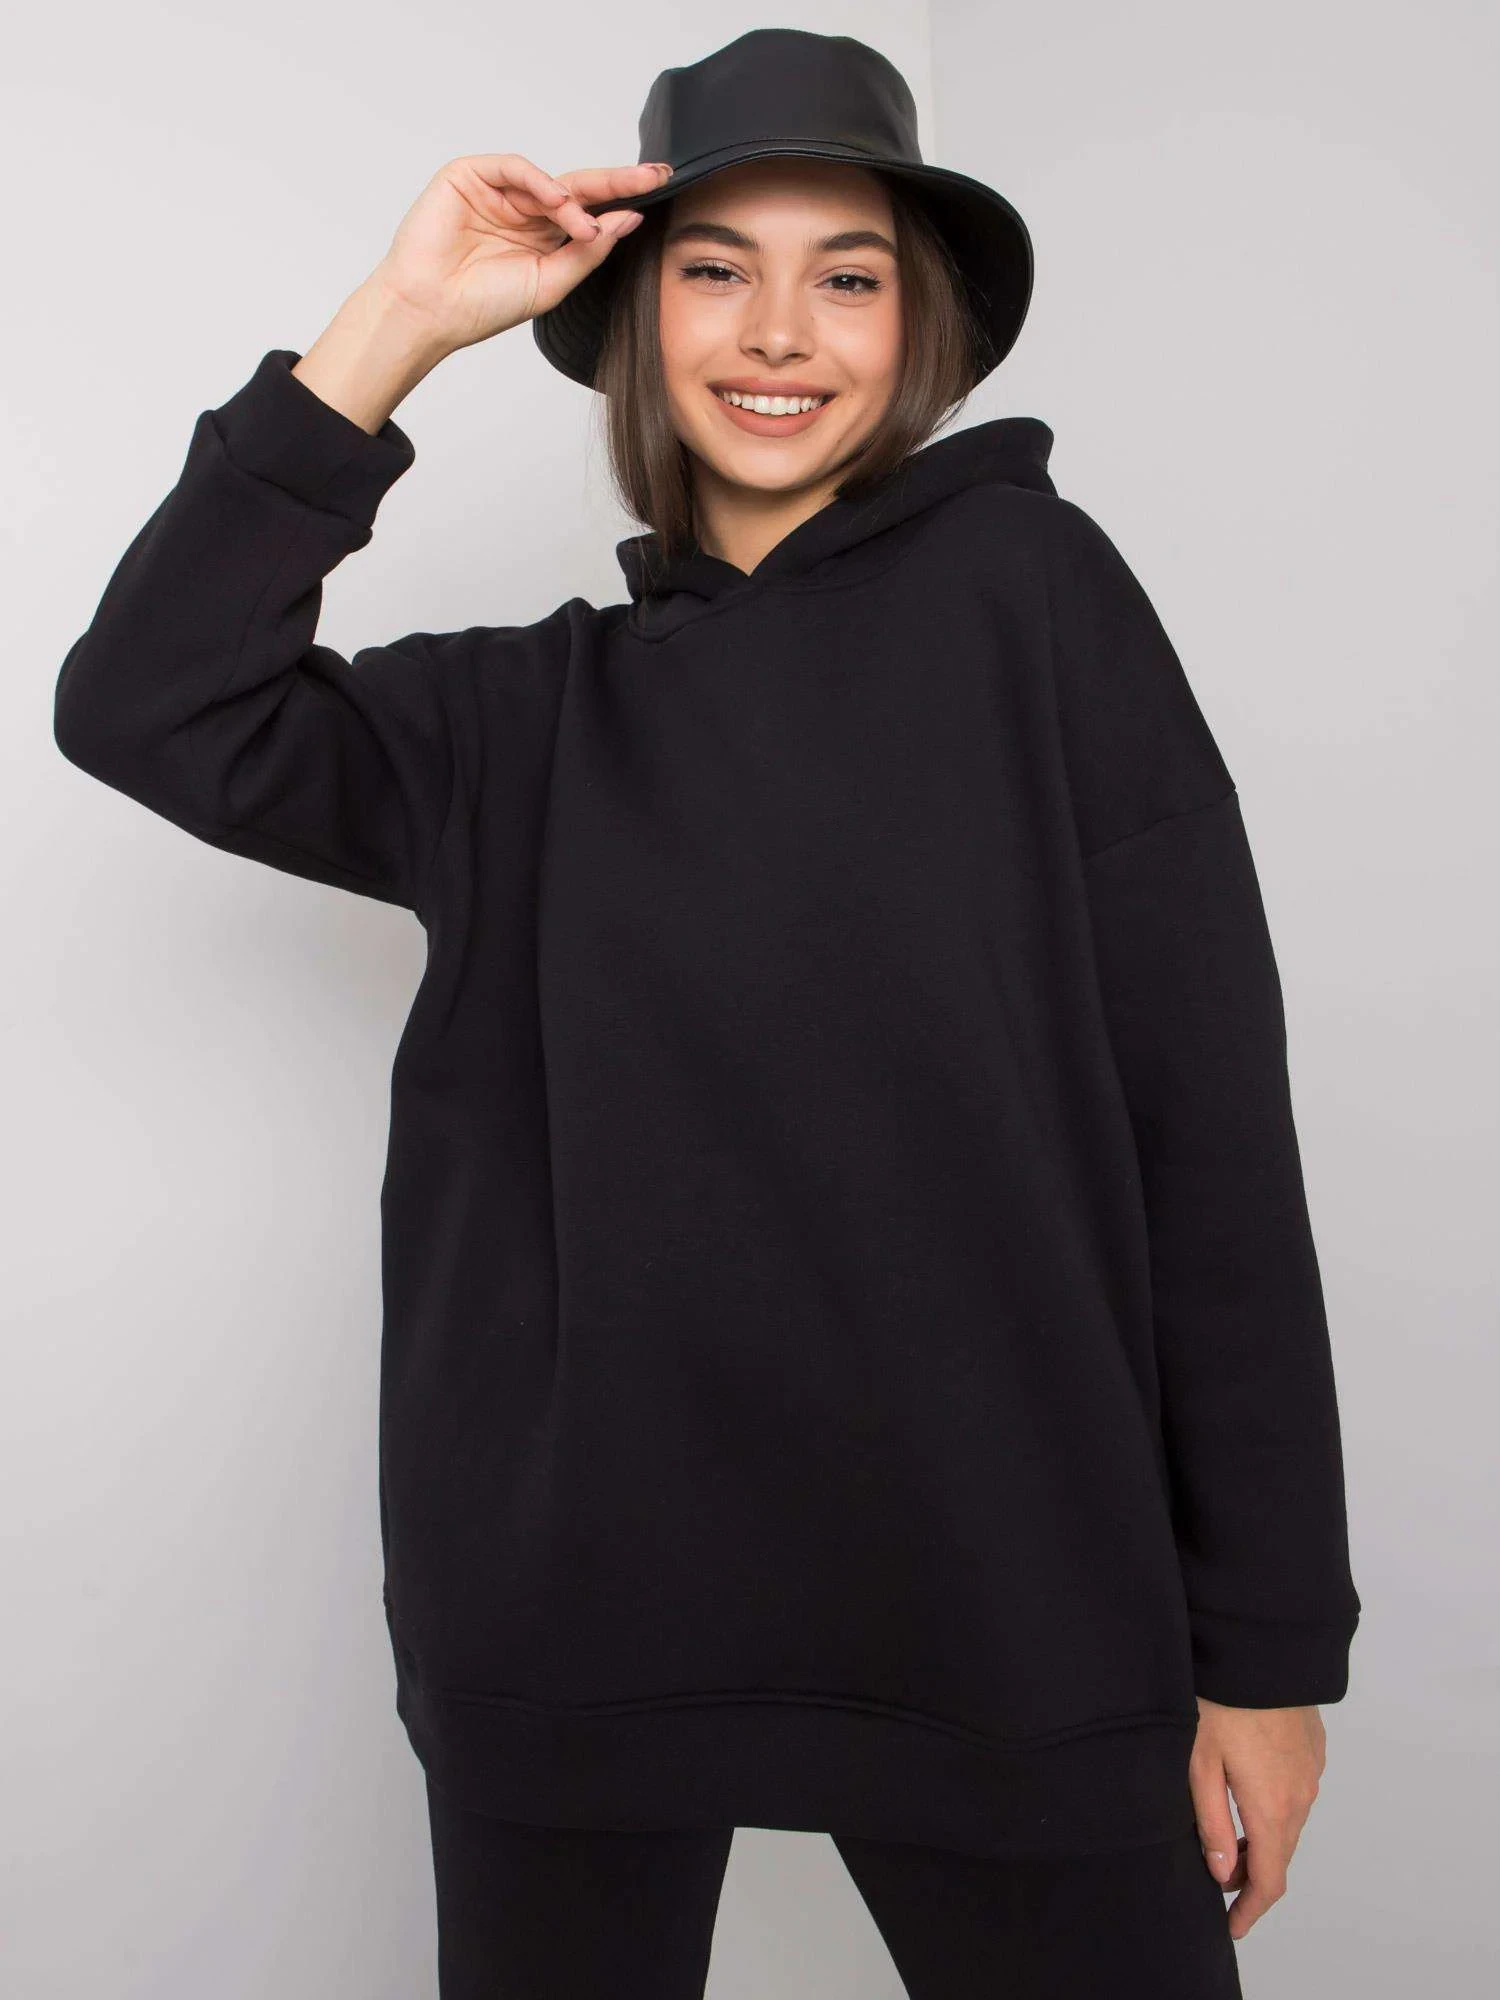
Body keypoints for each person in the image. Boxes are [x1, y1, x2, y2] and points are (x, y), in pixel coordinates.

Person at [52, 27, 1359, 1999]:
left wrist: (1265, 1655)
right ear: (634, 316)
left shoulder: (1034, 597)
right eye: (715, 268)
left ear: (918, 327)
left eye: (850, 274)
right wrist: (397, 321)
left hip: (1008, 1594)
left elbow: (1212, 1136)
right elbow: (147, 703)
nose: (779, 331)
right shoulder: (521, 722)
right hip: (573, 1619)